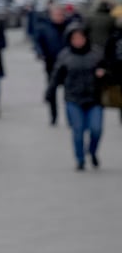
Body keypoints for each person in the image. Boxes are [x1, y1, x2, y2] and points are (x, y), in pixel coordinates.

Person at [48, 27, 107, 171]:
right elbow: (56, 76)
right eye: (75, 39)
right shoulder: (65, 56)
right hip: (73, 99)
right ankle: (80, 159)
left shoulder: (96, 53)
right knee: (78, 131)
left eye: (80, 38)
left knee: (96, 129)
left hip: (94, 98)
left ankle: (92, 151)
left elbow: (109, 70)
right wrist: (50, 91)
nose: (78, 41)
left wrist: (103, 73)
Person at [33, 2, 68, 125]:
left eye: (60, 14)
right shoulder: (44, 27)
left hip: (68, 64)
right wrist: (40, 53)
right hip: (51, 63)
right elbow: (38, 43)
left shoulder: (69, 27)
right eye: (56, 14)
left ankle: (71, 117)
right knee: (52, 89)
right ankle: (53, 116)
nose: (59, 17)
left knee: (69, 91)